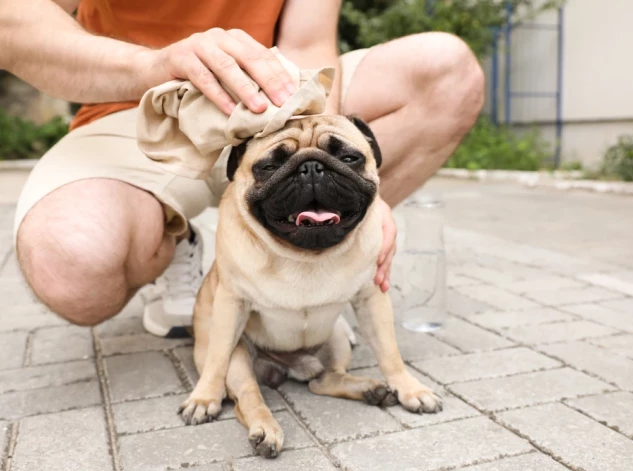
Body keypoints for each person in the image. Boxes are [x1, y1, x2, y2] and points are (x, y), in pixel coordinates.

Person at [0, 0, 484, 337]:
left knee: (448, 71)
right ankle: (178, 241)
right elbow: (13, 26)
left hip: (278, 99)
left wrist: (335, 170)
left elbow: (309, 40)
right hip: (135, 105)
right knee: (71, 268)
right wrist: (156, 65)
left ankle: (318, 266)